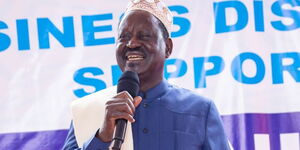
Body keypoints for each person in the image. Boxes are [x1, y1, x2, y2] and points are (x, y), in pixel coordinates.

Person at [62, 0, 230, 149]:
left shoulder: (200, 110)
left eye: (144, 36)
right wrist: (102, 137)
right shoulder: (89, 110)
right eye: (124, 37)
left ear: (168, 47)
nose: (132, 43)